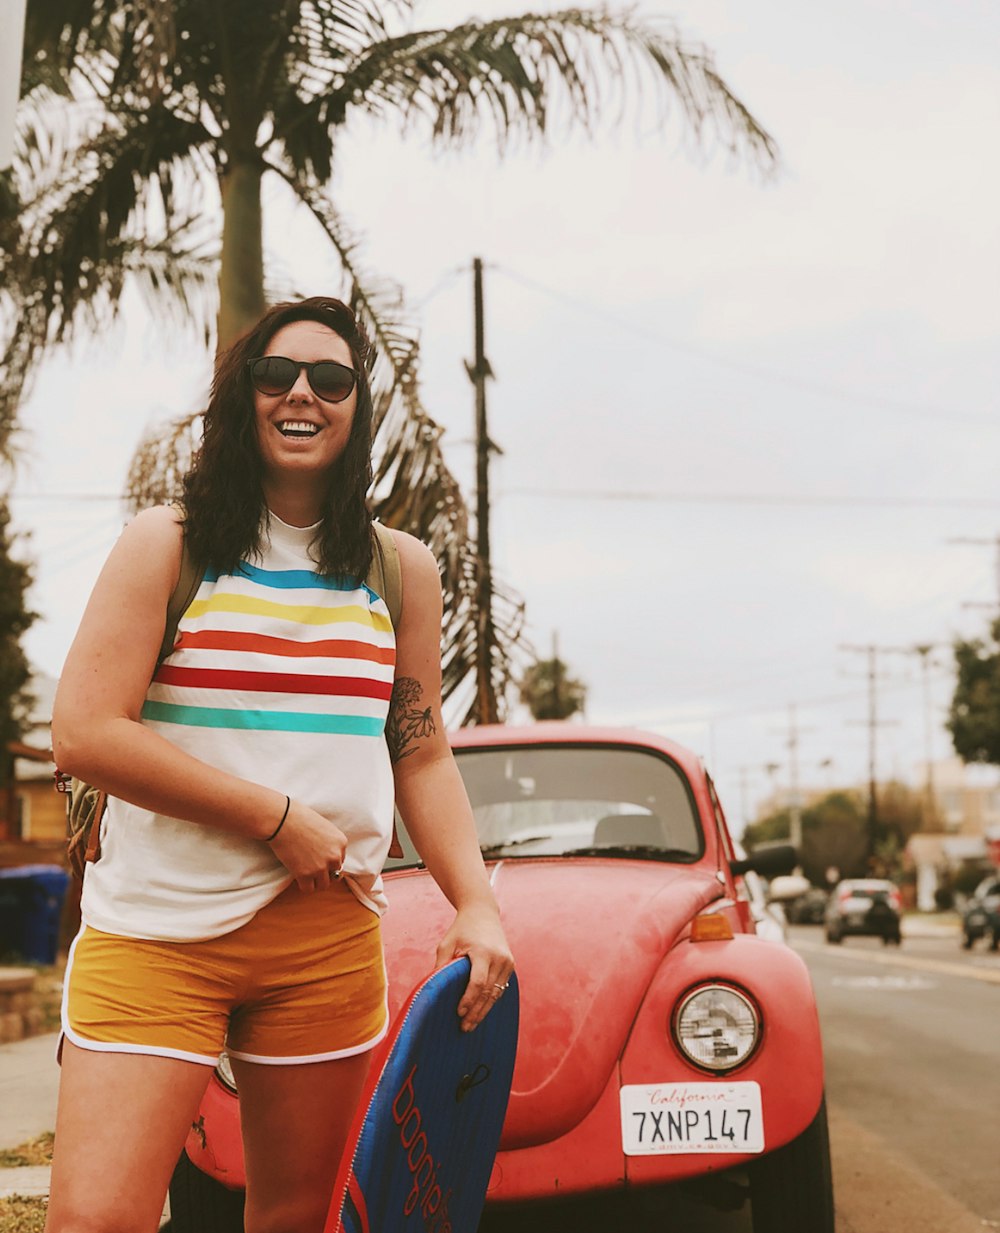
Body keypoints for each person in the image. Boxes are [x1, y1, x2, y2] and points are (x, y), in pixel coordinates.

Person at [48, 296, 514, 1233]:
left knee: (296, 1217)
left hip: (323, 941)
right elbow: (86, 731)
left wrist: (476, 901)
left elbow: (419, 750)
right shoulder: (169, 544)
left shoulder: (398, 570)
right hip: (156, 932)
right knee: (97, 1219)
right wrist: (274, 816)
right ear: (244, 398)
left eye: (331, 379)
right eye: (278, 374)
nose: (303, 394)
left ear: (356, 409)